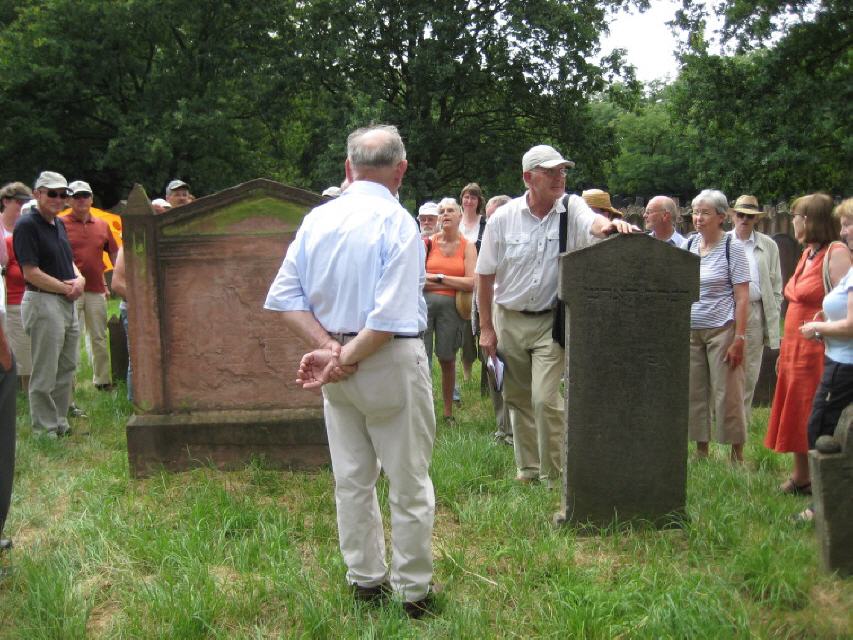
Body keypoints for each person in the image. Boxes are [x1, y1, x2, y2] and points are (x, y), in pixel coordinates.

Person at [264, 125, 439, 617]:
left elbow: (285, 297)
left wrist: (329, 349)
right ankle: (413, 592)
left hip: (338, 363)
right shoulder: (397, 220)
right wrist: (341, 355)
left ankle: (365, 579)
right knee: (408, 481)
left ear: (348, 168)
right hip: (384, 359)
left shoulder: (317, 220)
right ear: (400, 170)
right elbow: (389, 316)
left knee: (352, 477)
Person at [476, 144, 635, 487]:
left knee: (545, 399)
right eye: (550, 171)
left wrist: (609, 227)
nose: (559, 177)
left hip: (551, 320)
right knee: (517, 399)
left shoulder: (571, 207)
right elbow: (485, 275)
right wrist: (486, 328)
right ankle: (528, 469)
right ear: (528, 178)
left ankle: (553, 475)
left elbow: (591, 222)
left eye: (562, 171)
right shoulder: (503, 218)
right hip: (509, 318)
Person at [766, 193, 851, 494]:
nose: (793, 222)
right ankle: (801, 475)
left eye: (797, 217)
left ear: (811, 220)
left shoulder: (836, 252)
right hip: (795, 345)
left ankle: (817, 479)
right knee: (794, 410)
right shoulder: (808, 252)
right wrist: (784, 348)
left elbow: (840, 303)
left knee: (810, 411)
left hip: (817, 347)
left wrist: (819, 330)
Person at [14, 171, 85, 437]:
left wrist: (80, 278)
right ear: (37, 194)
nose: (58, 199)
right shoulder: (27, 225)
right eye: (52, 193)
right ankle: (44, 430)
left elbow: (69, 262)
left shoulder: (59, 224)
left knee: (67, 366)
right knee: (45, 369)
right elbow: (30, 272)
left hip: (66, 300)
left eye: (63, 194)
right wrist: (68, 287)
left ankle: (59, 422)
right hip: (43, 301)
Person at [685, 189, 750, 462]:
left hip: (722, 328)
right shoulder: (688, 245)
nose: (698, 218)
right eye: (696, 212)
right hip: (691, 330)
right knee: (695, 391)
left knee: (727, 392)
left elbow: (742, 295)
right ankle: (701, 451)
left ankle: (736, 453)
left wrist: (740, 337)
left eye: (705, 213)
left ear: (721, 217)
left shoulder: (730, 246)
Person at [727, 195, 783, 423]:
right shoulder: (724, 242)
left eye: (750, 216)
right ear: (732, 216)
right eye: (740, 214)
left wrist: (772, 309)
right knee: (723, 370)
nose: (744, 220)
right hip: (726, 311)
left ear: (756, 219)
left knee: (749, 372)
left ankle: (742, 424)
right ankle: (719, 423)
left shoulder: (768, 245)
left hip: (754, 311)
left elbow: (777, 283)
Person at [60, 181, 119, 390]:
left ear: (92, 199)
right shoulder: (59, 223)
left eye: (85, 195)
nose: (81, 200)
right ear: (68, 200)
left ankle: (102, 381)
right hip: (68, 290)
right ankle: (69, 384)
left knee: (99, 336)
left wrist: (117, 277)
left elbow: (114, 252)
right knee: (70, 337)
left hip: (95, 288)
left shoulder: (102, 224)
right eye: (76, 196)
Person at [423, 197, 475, 424]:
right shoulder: (427, 244)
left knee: (446, 359)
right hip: (423, 308)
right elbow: (417, 280)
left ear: (460, 216)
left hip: (453, 311)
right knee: (420, 360)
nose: (445, 214)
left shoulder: (468, 246)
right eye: (441, 211)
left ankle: (447, 412)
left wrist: (437, 278)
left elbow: (471, 282)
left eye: (450, 210)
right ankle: (423, 412)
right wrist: (452, 281)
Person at [478, 194, 512, 445]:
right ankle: (502, 427)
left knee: (512, 372)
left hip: (509, 311)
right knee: (494, 369)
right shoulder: (489, 239)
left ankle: (514, 429)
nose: (489, 223)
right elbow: (481, 280)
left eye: (492, 218)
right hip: (488, 310)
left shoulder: (514, 239)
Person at [0, 183, 33, 391]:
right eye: (18, 202)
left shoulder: (26, 226)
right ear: (6, 201)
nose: (22, 207)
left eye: (25, 202)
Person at [458, 183, 486, 383]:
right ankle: (467, 374)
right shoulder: (456, 223)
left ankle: (488, 373)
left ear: (479, 201)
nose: (469, 201)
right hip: (463, 284)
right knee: (467, 330)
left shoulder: (485, 224)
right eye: (466, 197)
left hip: (483, 282)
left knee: (485, 326)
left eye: (473, 197)